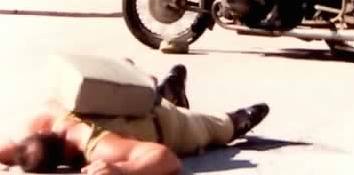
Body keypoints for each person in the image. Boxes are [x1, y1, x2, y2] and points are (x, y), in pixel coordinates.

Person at [0, 63, 269, 169]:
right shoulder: (41, 119)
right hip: (144, 106)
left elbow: (167, 159)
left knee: (216, 128)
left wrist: (122, 170)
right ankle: (169, 91)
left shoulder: (95, 145)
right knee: (165, 102)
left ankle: (233, 121)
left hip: (172, 125)